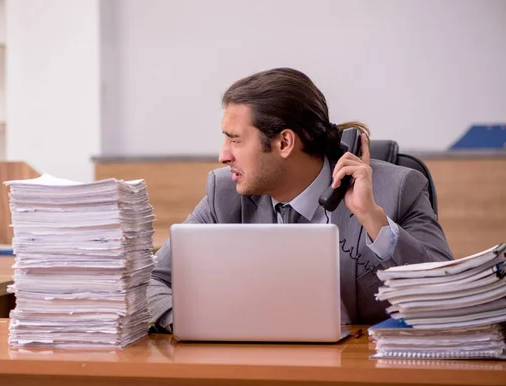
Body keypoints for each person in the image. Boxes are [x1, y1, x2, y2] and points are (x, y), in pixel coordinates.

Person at [148, 67, 453, 331]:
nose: (223, 155)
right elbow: (148, 280)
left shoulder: (399, 188)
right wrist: (189, 321)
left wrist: (373, 218)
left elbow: (447, 294)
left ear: (284, 142)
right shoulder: (225, 194)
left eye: (235, 139)